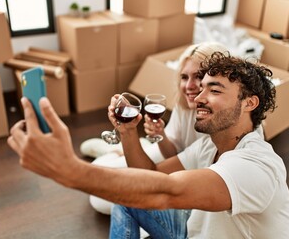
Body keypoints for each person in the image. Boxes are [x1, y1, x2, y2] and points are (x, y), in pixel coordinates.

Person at [7, 52, 289, 238]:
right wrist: (128, 132)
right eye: (200, 87)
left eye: (214, 89)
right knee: (127, 196)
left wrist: (68, 170)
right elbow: (153, 174)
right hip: (194, 232)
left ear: (249, 103)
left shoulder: (257, 165)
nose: (198, 97)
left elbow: (167, 192)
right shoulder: (209, 145)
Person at [87, 42, 232, 215]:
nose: (189, 86)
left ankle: (133, 148)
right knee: (98, 176)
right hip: (176, 162)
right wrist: (159, 134)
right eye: (184, 77)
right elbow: (171, 154)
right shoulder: (186, 107)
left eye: (198, 76)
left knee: (100, 201)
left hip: (182, 174)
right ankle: (120, 150)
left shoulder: (225, 134)